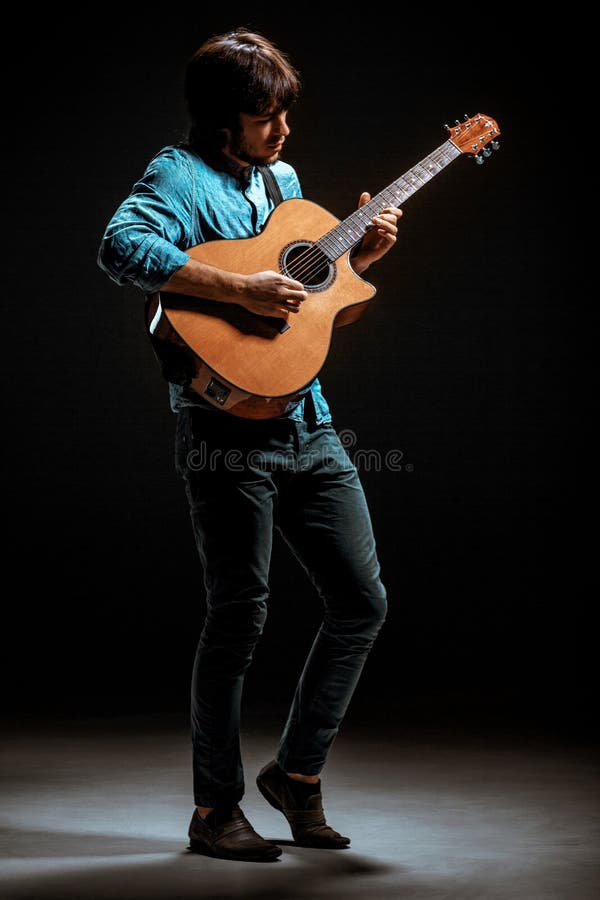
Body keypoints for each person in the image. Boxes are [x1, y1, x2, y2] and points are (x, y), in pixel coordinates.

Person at [97, 28, 402, 863]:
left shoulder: (286, 180)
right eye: (267, 116)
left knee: (362, 602)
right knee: (240, 619)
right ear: (221, 118)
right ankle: (213, 811)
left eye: (283, 115)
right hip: (223, 432)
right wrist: (235, 285)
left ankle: (295, 777)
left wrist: (356, 263)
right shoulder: (176, 174)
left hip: (307, 421)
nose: (283, 131)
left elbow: (304, 308)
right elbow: (120, 248)